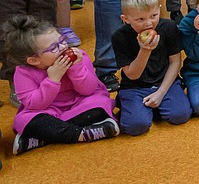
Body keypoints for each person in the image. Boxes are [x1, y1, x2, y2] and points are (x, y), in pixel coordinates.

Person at [8, 16, 118, 154]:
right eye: (54, 47)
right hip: (48, 110)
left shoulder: (79, 57)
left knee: (100, 105)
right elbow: (33, 104)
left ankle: (45, 138)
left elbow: (88, 90)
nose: (63, 47)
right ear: (34, 60)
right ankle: (81, 134)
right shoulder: (23, 73)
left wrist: (76, 69)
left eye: (62, 40)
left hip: (80, 102)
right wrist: (52, 79)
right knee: (23, 120)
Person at [112, 0, 189, 135]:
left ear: (160, 9)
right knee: (136, 127)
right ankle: (136, 107)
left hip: (165, 83)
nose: (148, 23)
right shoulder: (119, 37)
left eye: (154, 15)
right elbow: (132, 75)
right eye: (140, 19)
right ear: (125, 19)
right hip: (134, 87)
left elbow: (175, 62)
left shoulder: (169, 27)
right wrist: (145, 51)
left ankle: (151, 105)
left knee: (180, 115)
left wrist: (160, 92)